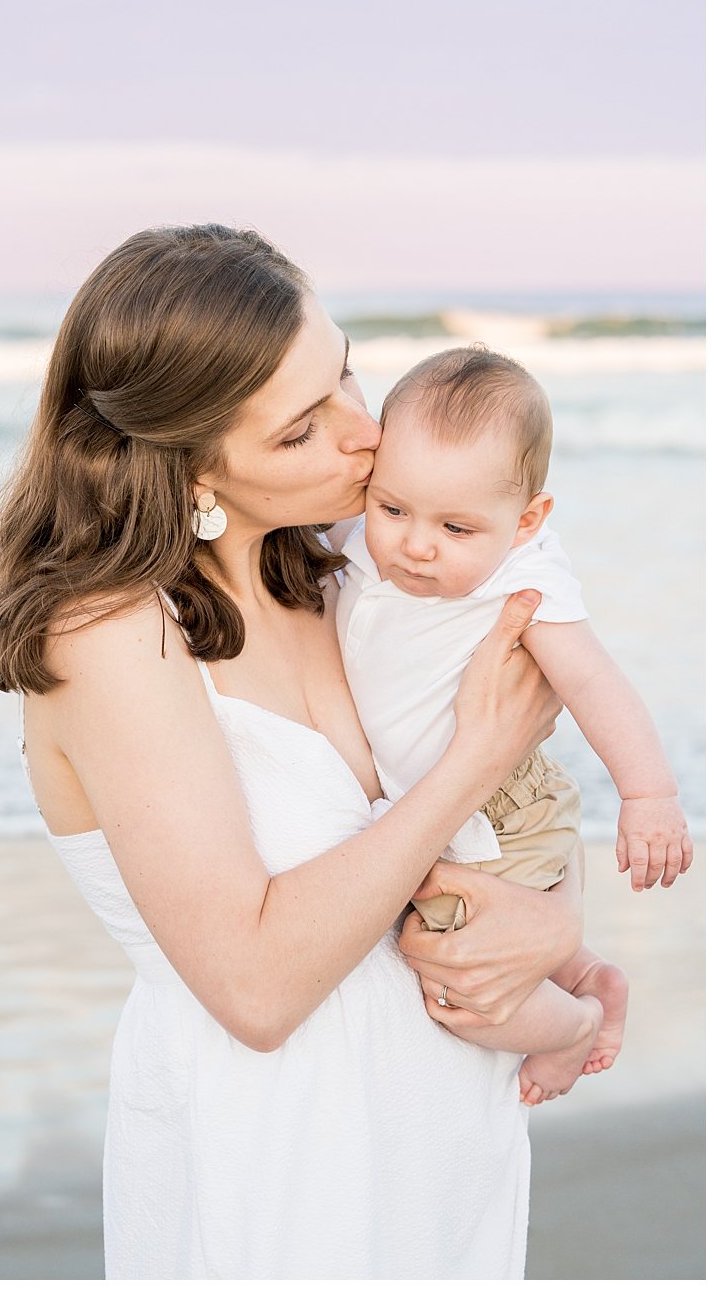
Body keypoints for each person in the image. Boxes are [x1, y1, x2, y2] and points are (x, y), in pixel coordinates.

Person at [0, 224, 577, 1278]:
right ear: (191, 467)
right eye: (299, 433)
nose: (362, 435)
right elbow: (253, 986)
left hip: (442, 1134)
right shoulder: (111, 632)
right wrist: (477, 754)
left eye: (345, 374)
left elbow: (514, 805)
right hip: (278, 1153)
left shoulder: (361, 576)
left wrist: (559, 930)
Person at [339, 345, 690, 1105]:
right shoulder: (364, 540)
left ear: (526, 520)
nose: (416, 543)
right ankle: (587, 974)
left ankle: (570, 1026)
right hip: (441, 799)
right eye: (392, 508)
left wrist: (649, 794)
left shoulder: (525, 577)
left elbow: (595, 682)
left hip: (501, 809)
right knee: (492, 934)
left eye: (457, 528)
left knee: (453, 978)